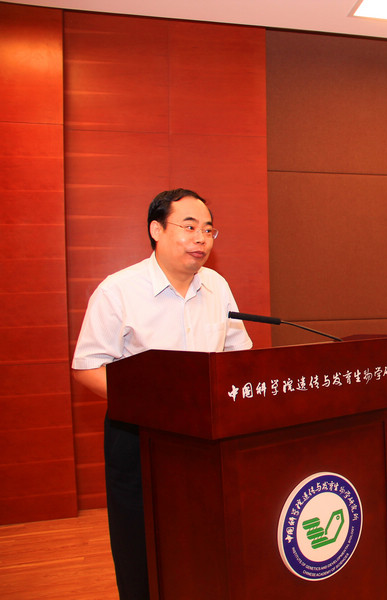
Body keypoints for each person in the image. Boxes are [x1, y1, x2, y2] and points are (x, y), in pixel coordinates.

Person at [71, 188, 252, 599]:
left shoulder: (217, 286)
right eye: (189, 226)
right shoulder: (118, 290)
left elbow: (238, 354)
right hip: (139, 436)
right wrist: (153, 404)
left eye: (208, 229)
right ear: (156, 229)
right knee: (141, 546)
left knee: (204, 536)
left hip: (207, 435)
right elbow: (87, 367)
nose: (201, 238)